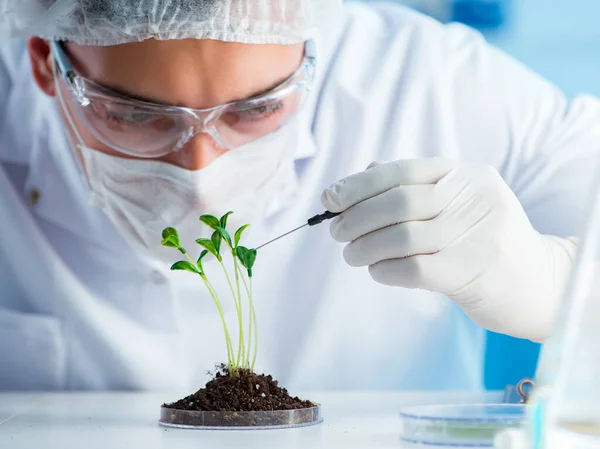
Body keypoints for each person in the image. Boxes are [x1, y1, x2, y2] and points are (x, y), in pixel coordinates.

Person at [0, 0, 597, 392]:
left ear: (312, 54)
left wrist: (557, 280)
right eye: (134, 116)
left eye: (256, 109)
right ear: (46, 66)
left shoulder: (431, 82)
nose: (200, 173)